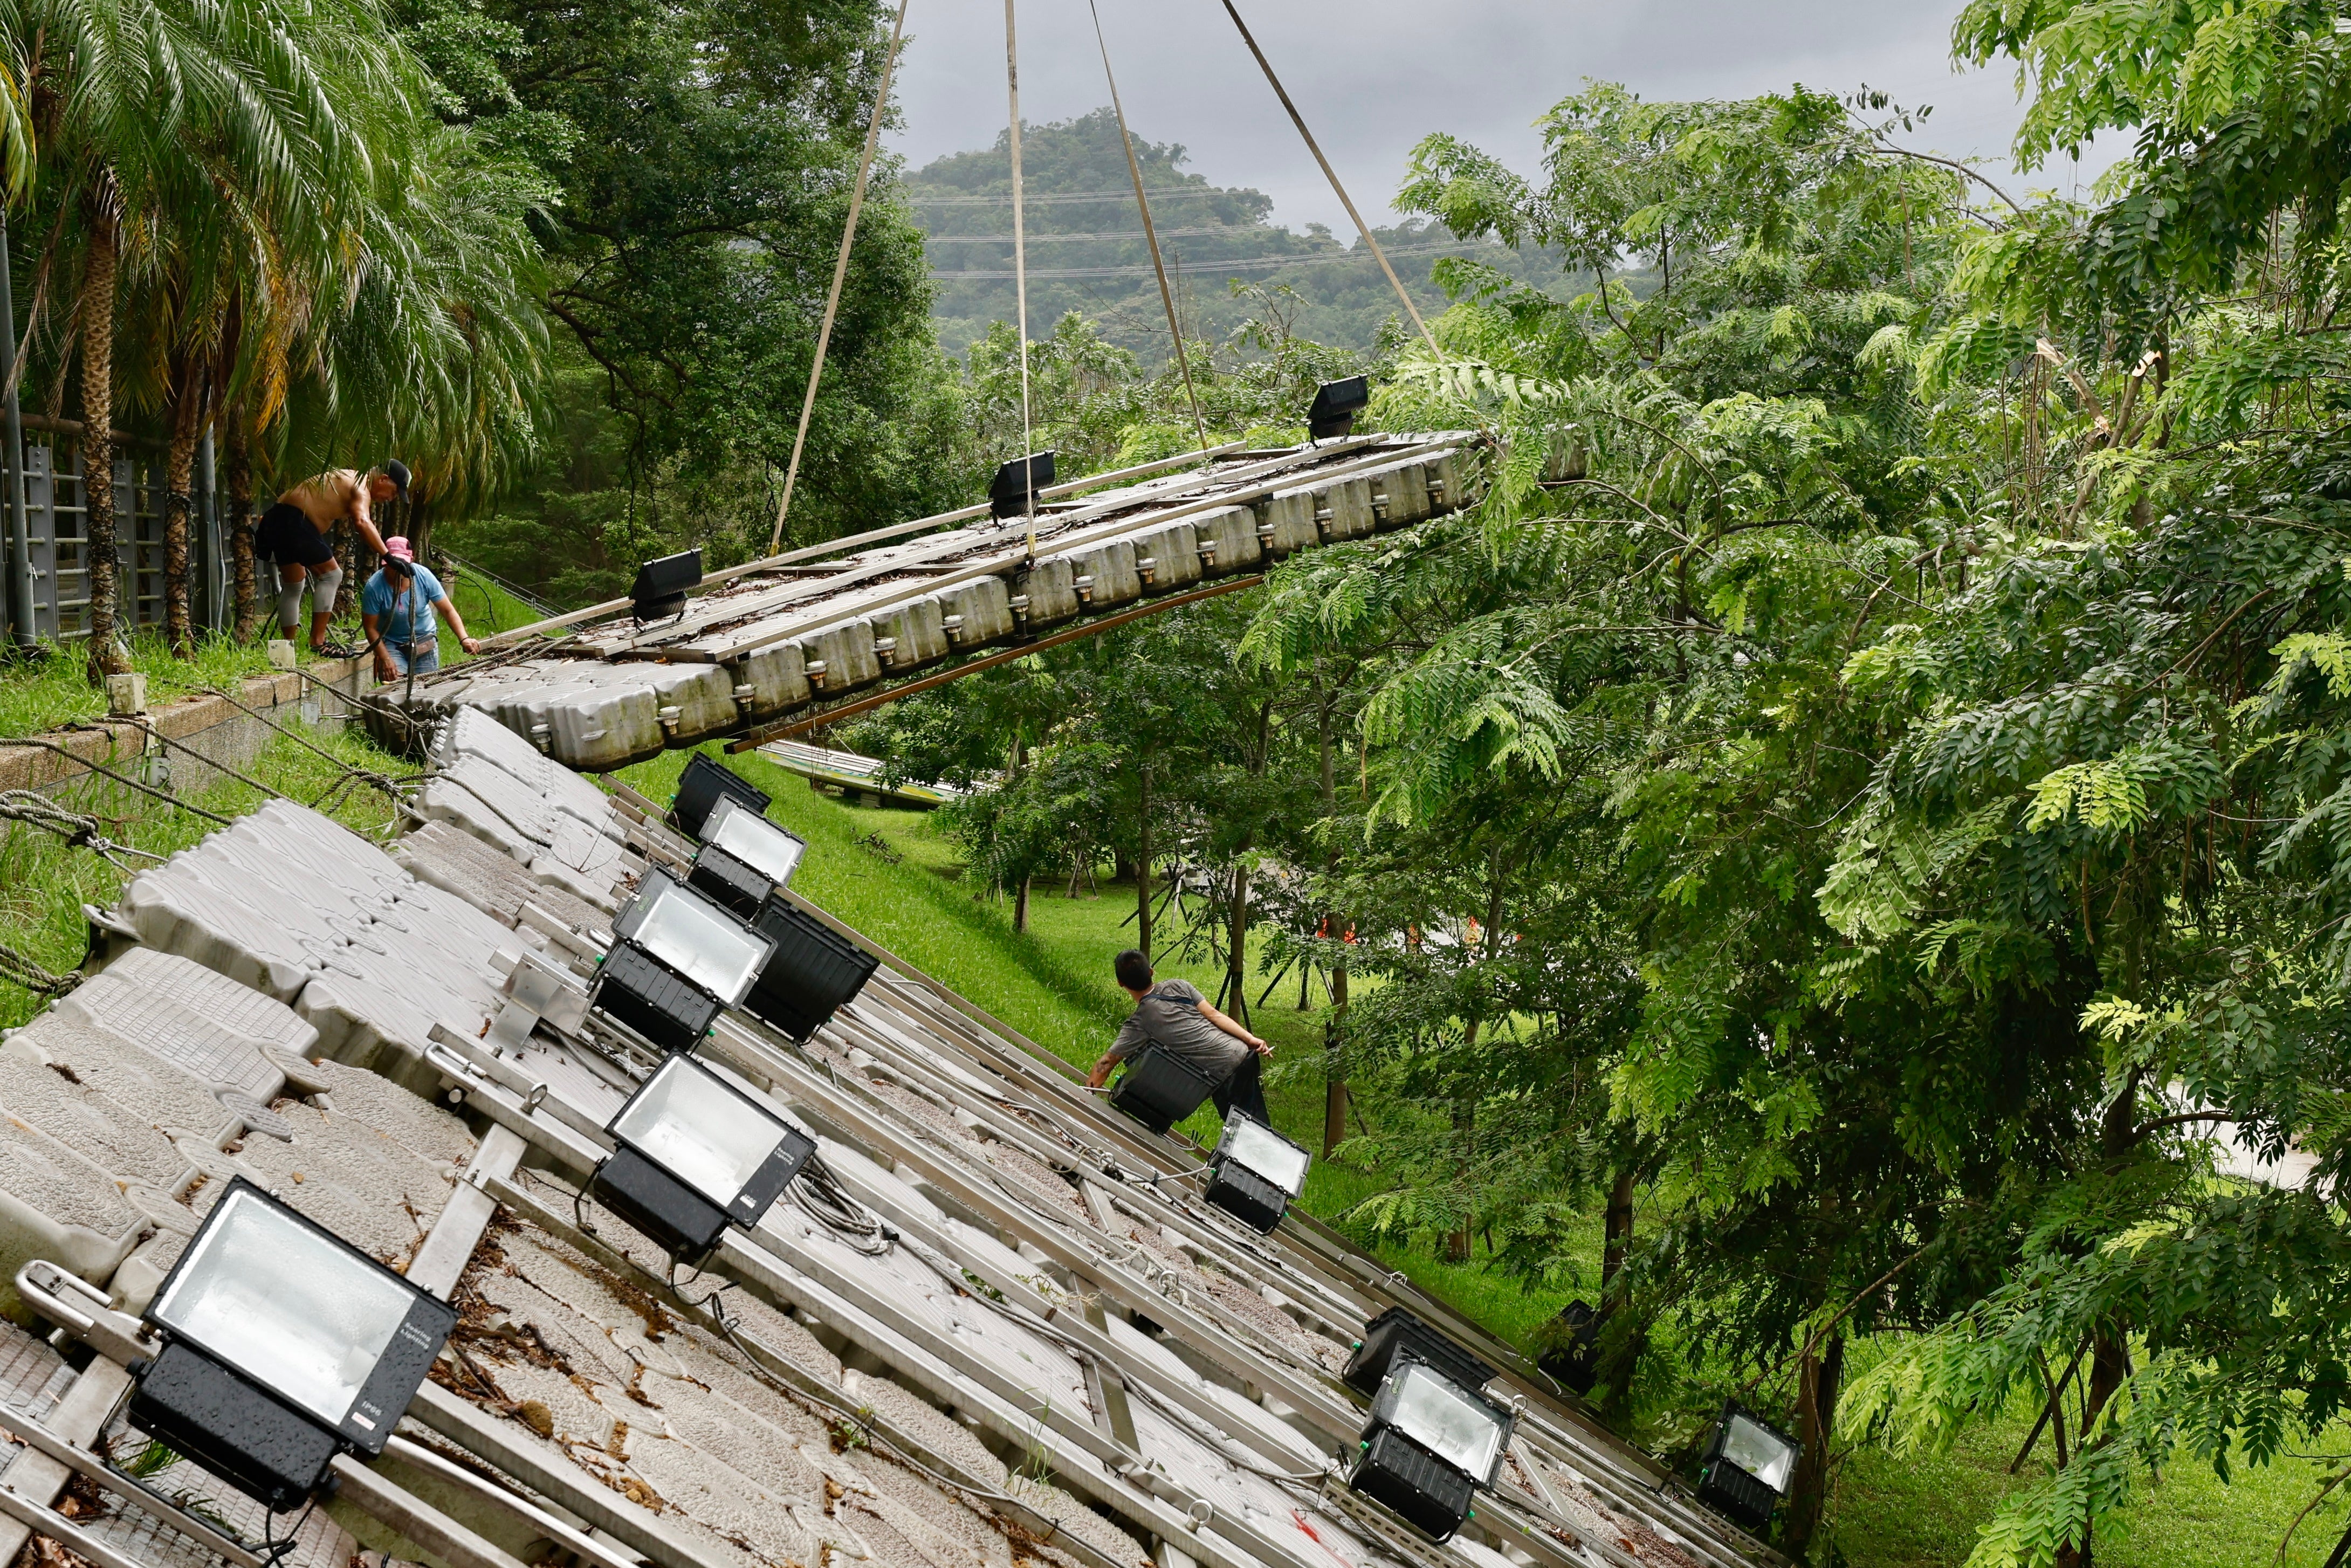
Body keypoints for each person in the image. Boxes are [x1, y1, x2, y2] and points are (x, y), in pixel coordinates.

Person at [1087, 948, 1271, 1125]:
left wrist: (1087, 1097)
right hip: (1243, 1053)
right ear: (1151, 972)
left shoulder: (1140, 1022)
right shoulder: (1178, 985)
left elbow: (1106, 1064)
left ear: (1121, 983)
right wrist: (1251, 1039)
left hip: (1226, 1071)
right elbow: (1214, 1015)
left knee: (1248, 1130)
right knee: (1253, 1122)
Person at [252, 460, 410, 655]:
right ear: (384, 479)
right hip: (294, 520)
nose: (391, 499)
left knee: (294, 584)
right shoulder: (361, 485)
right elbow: (362, 521)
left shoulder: (347, 477)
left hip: (276, 518)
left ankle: (285, 650)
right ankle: (318, 642)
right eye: (394, 493)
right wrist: (389, 556)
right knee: (332, 575)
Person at [360, 537, 479, 679]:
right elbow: (370, 628)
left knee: (425, 686)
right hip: (391, 642)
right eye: (393, 564)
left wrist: (464, 638)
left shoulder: (424, 576)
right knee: (394, 683)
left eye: (401, 563)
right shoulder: (374, 587)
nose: (397, 569)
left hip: (423, 639)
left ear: (411, 560)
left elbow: (448, 610)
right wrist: (385, 658)